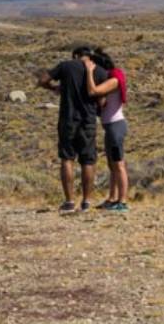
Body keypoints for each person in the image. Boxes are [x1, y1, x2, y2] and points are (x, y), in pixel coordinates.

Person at [37, 45, 107, 213]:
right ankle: (87, 201)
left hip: (68, 118)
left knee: (67, 158)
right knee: (88, 161)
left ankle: (69, 201)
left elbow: (42, 80)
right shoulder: (100, 72)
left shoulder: (66, 66)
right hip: (88, 120)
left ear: (76, 55)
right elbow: (102, 101)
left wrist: (54, 88)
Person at [85, 47, 129, 211]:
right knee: (112, 165)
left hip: (115, 126)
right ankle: (112, 198)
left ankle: (122, 202)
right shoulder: (109, 79)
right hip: (110, 126)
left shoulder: (114, 80)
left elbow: (93, 91)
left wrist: (89, 73)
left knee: (119, 165)